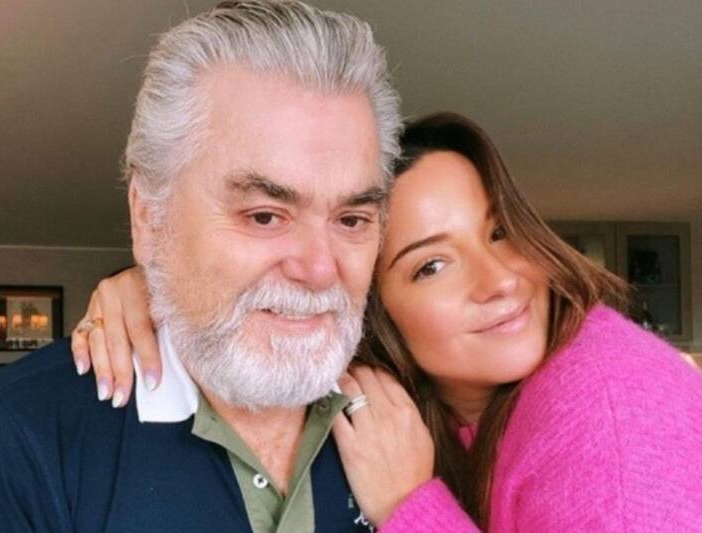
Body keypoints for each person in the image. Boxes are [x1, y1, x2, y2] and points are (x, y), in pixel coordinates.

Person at [75, 112, 702, 531]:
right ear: (371, 312)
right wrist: (159, 288)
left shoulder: (612, 412)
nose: (501, 281)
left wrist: (412, 508)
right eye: (432, 266)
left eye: (500, 232)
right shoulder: (412, 404)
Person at [0, 2, 403, 531]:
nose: (319, 270)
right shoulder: (24, 430)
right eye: (265, 216)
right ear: (149, 217)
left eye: (352, 219)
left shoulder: (416, 415)